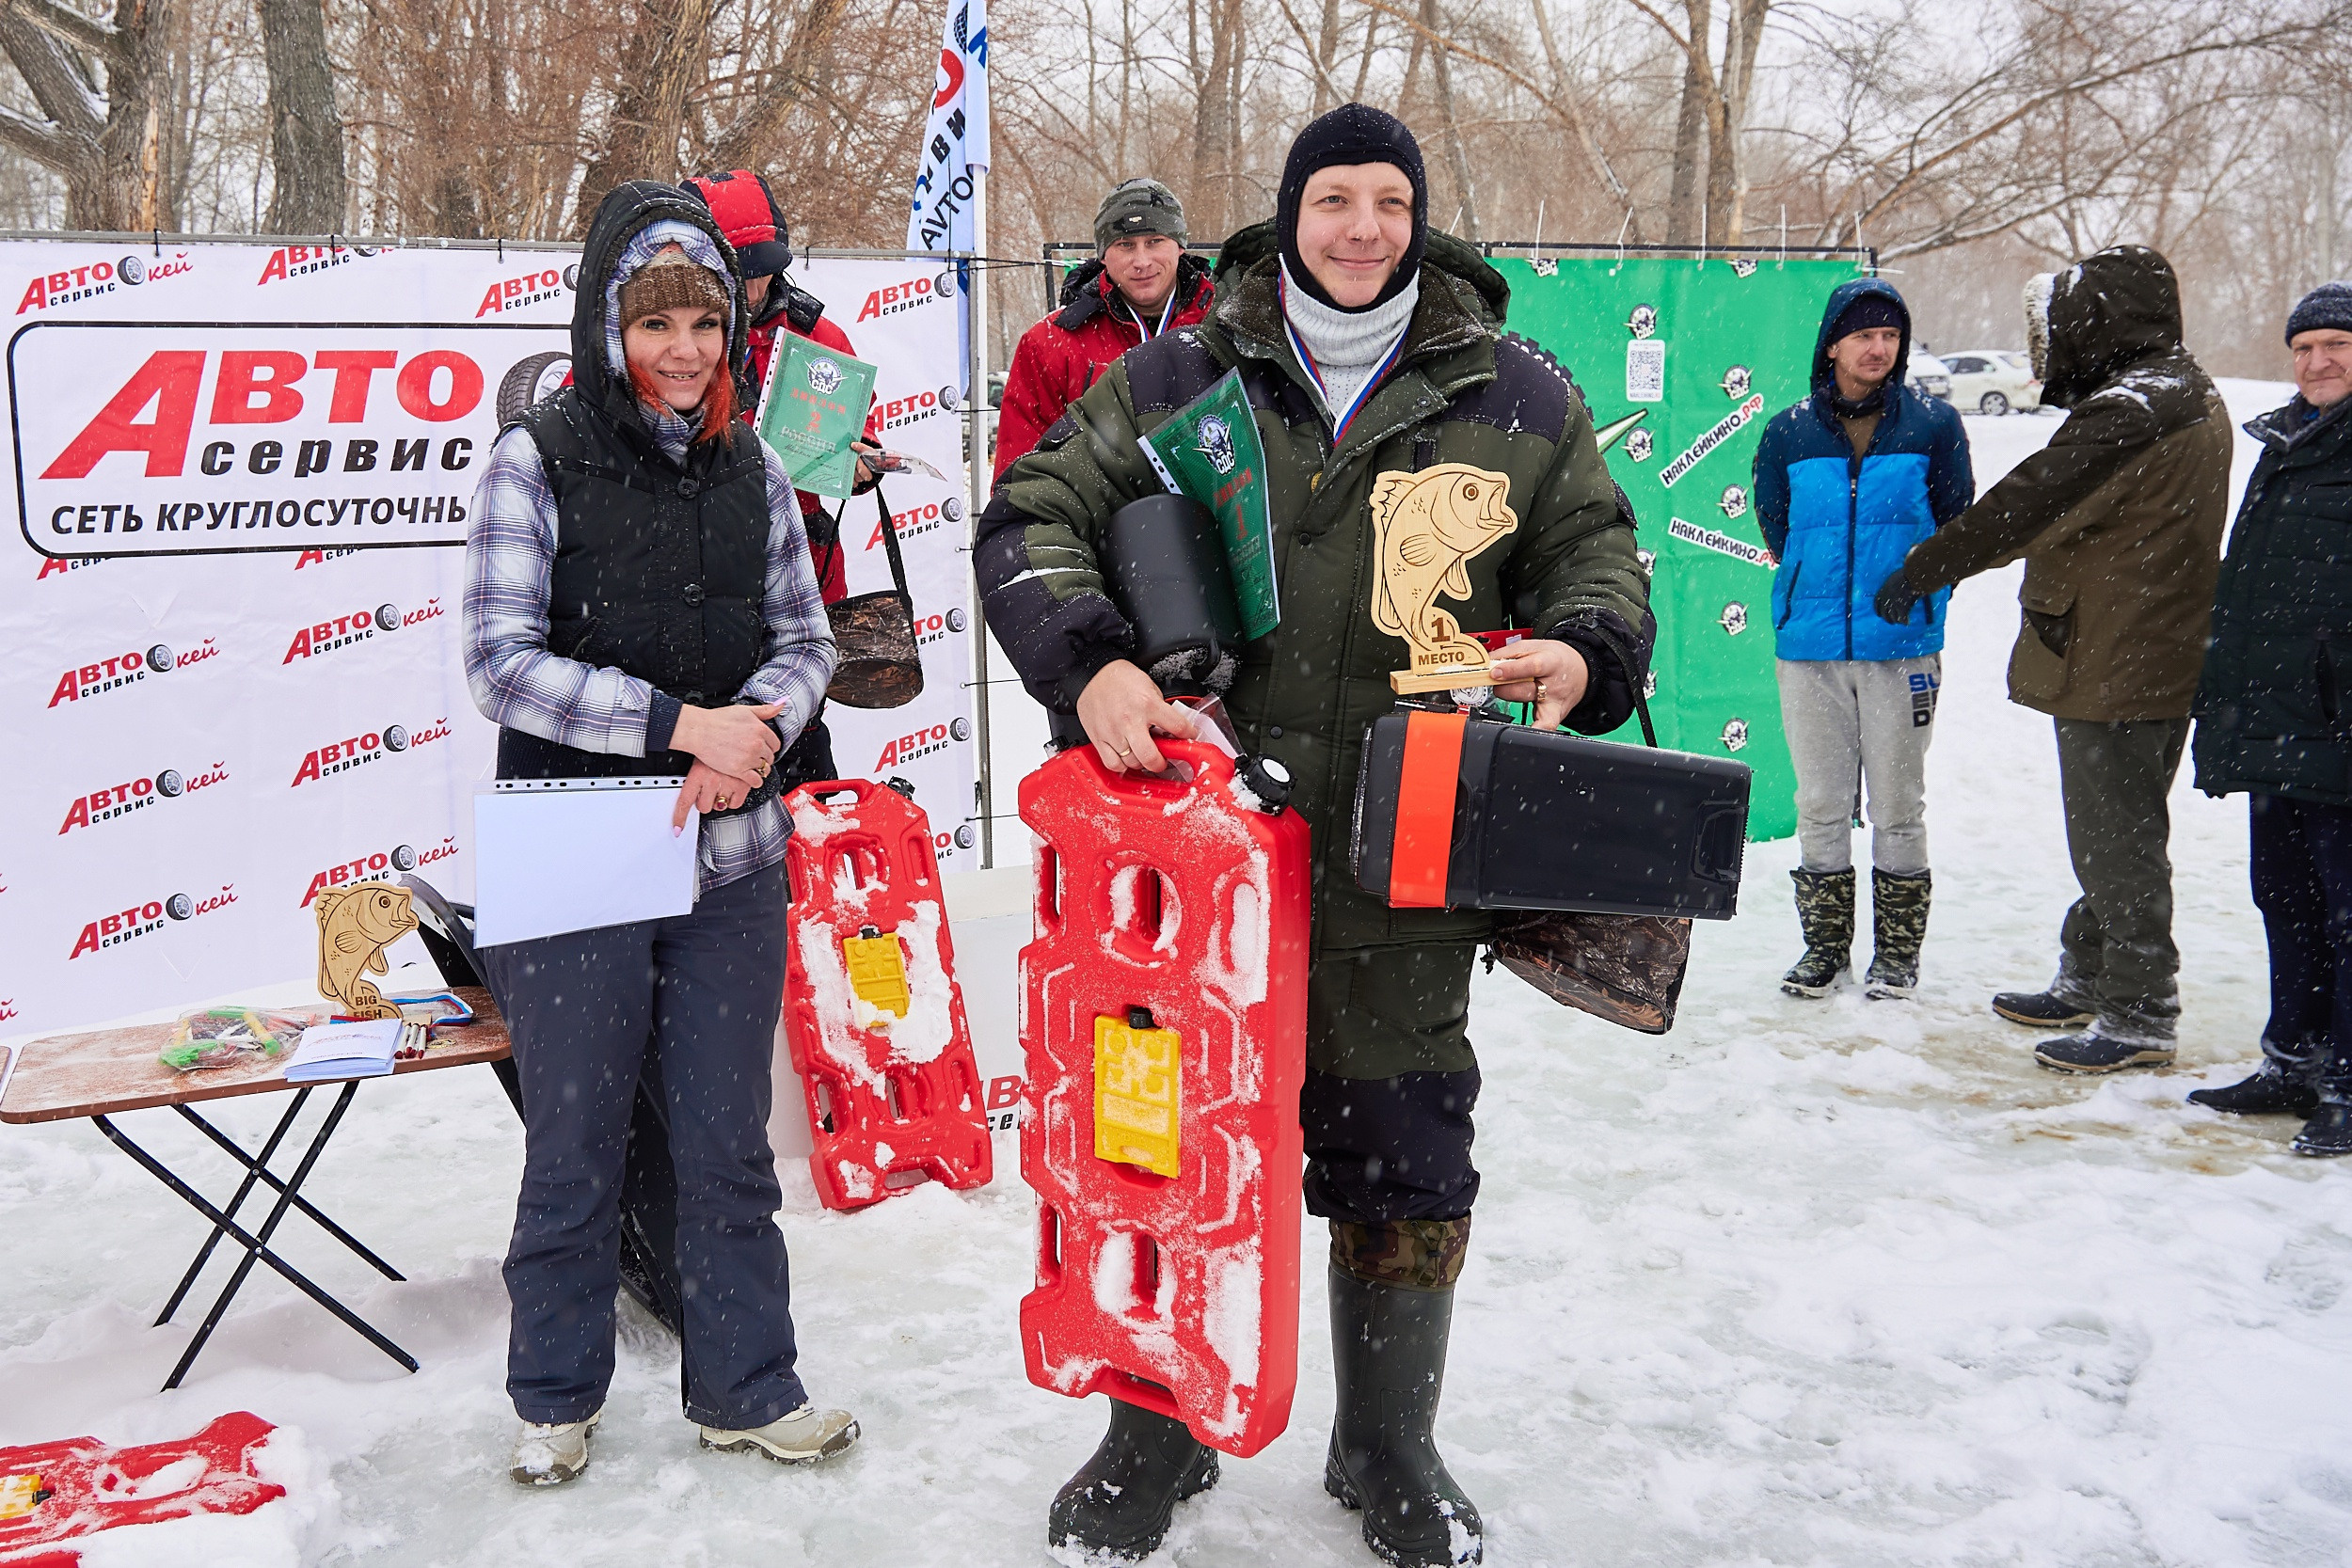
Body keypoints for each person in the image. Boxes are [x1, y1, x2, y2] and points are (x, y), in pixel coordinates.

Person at [978, 103, 1651, 1567]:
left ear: (1418, 220)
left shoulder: (1517, 394)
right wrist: (1087, 656)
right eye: (1333, 199)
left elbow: (1597, 545)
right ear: (1290, 215)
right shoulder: (1177, 369)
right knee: (1156, 1140)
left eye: (1388, 202)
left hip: (1397, 856)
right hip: (1179, 869)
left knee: (1403, 1154)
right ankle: (1154, 1422)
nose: (1361, 228)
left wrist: (1589, 651)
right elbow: (1033, 511)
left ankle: (1389, 1439)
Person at [462, 180, 856, 1485]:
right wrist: (680, 724)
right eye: (652, 323)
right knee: (574, 1137)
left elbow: (808, 639)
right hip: (573, 853)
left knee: (726, 1137)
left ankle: (747, 1382)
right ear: (603, 327)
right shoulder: (538, 455)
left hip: (730, 858)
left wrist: (757, 722)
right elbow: (501, 665)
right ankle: (555, 1389)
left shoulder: (757, 463)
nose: (682, 348)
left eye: (701, 320)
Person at [1872, 245, 2230, 1073]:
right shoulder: (2174, 391)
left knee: (2117, 833)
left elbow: (2024, 504)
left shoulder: (2137, 409)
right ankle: (2095, 968)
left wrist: (1920, 570)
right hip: (2140, 641)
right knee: (2116, 824)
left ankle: (2140, 1006)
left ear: (2103, 321)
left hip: (2126, 650)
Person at [1752, 279, 1972, 1001]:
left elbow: (1956, 527)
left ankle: (1898, 956)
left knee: (1899, 804)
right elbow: (1778, 528)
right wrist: (1819, 585)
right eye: (1864, 335)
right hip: (1810, 648)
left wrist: (1917, 589)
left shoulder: (1934, 426)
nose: (1879, 348)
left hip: (1901, 648)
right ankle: (1824, 950)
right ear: (1834, 345)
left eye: (1890, 335)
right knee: (1818, 800)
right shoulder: (1788, 432)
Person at [2184, 281, 2352, 1155]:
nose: (2317, 362)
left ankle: (2347, 1085)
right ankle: (2294, 1060)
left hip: (2338, 727)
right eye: (2304, 347)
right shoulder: (2284, 444)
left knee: (2346, 911)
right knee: (2283, 898)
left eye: (2336, 345)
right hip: (2278, 722)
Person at [681, 166, 882, 788]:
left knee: (792, 752)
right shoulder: (658, 335)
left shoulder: (819, 336)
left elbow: (848, 449)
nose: (753, 279)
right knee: (702, 756)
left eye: (762, 262)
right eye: (735, 264)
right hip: (690, 582)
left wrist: (861, 466)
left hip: (797, 581)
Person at [992, 177, 1216, 478]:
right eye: (1125, 245)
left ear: (1180, 246)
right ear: (1103, 256)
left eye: (1154, 241)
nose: (1142, 261)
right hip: (1096, 521)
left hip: (1218, 517)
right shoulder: (1048, 344)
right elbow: (1019, 479)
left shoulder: (1225, 326)